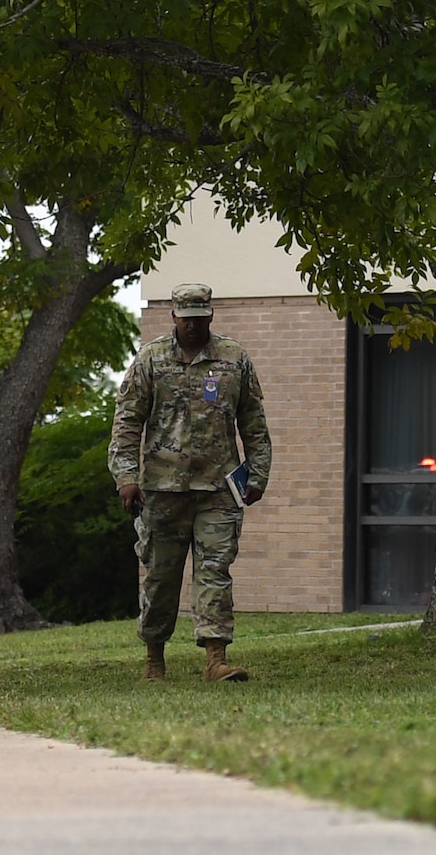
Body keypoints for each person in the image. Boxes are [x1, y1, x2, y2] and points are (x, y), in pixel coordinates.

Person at [110, 282, 272, 683]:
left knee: (215, 572)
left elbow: (253, 422)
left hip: (219, 489)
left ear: (211, 316)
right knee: (161, 576)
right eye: (187, 319)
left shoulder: (234, 359)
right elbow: (127, 423)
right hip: (162, 491)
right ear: (174, 318)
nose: (194, 326)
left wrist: (258, 473)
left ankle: (216, 659)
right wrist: (127, 478)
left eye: (201, 318)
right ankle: (154, 659)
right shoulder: (151, 360)